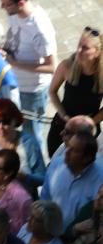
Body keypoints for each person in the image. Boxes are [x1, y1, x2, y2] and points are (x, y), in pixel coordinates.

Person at [46, 30, 103, 158]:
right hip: (62, 126)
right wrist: (64, 116)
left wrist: (91, 122)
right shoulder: (67, 66)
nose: (79, 51)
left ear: (97, 52)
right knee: (55, 161)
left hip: (89, 131)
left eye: (85, 48)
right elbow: (52, 91)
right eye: (79, 46)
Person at [41, 128, 103, 233]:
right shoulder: (56, 164)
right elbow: (44, 197)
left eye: (74, 150)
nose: (66, 152)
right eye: (68, 147)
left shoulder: (100, 178)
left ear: (87, 158)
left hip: (77, 242)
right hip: (46, 231)